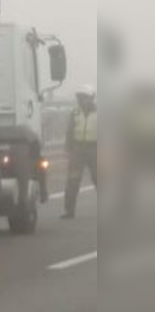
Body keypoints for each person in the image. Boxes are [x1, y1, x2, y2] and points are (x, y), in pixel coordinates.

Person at [64, 84, 99, 219]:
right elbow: (69, 131)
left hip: (95, 149)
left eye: (84, 97)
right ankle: (69, 211)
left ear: (91, 98)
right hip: (78, 149)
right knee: (73, 180)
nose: (81, 100)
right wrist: (68, 148)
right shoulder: (75, 113)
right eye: (80, 97)